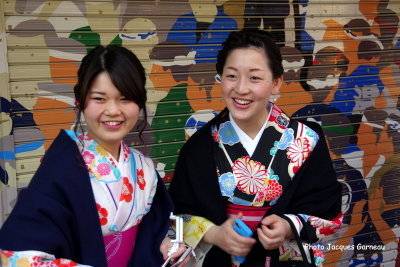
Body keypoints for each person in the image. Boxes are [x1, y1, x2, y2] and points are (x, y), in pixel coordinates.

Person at [0, 45, 187, 267]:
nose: (113, 110)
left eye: (125, 98)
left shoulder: (144, 167)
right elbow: (18, 253)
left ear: (139, 103)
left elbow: (152, 230)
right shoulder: (61, 167)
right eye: (100, 98)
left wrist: (165, 245)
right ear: (80, 101)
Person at [168, 29, 343, 266]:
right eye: (231, 76)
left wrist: (289, 226)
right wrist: (214, 234)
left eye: (255, 78)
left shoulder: (306, 140)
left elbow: (328, 210)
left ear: (276, 83)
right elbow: (177, 215)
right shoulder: (198, 147)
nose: (241, 89)